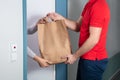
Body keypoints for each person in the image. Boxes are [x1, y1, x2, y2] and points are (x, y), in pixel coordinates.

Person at [47, 0, 110, 80]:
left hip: (93, 61)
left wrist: (74, 56)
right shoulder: (90, 4)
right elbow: (77, 26)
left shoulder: (99, 6)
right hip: (86, 58)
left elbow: (93, 39)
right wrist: (61, 19)